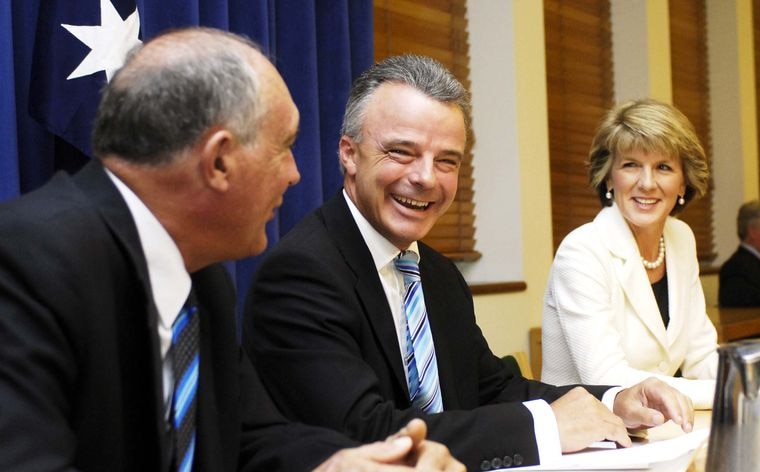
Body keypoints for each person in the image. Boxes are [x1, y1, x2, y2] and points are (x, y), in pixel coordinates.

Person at [0, 28, 464, 472]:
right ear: (219, 161)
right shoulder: (24, 260)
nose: (294, 175)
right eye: (284, 148)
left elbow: (251, 438)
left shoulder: (203, 280)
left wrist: (346, 463)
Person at [243, 55, 694, 471]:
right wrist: (544, 427)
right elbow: (367, 434)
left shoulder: (435, 273)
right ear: (349, 154)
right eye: (402, 151)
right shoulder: (301, 274)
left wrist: (615, 401)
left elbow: (493, 388)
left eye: (446, 161)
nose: (424, 178)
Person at [540, 99, 719, 409]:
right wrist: (731, 393)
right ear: (609, 178)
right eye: (631, 165)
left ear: (683, 182)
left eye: (663, 167)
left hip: (656, 429)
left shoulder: (680, 238)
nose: (647, 183)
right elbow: (606, 377)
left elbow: (700, 355)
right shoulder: (581, 251)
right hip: (588, 438)